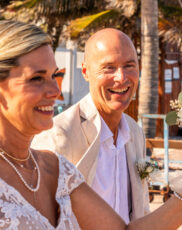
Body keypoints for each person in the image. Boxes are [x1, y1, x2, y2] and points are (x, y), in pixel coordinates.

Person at [1, 19, 182, 230]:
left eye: (53, 76)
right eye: (36, 78)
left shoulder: (58, 170)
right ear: (86, 72)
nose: (55, 91)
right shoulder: (57, 136)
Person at [32, 28, 149, 222]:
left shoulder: (134, 132)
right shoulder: (59, 134)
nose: (121, 77)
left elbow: (140, 208)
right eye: (109, 67)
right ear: (86, 72)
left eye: (129, 65)